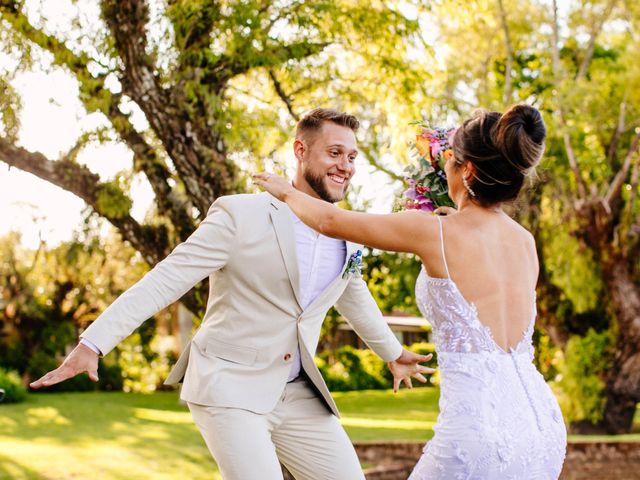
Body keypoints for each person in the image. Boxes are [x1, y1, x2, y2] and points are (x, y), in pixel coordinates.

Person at [30, 108, 433, 480]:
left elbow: (353, 294)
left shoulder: (345, 230)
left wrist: (393, 354)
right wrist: (93, 343)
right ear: (300, 150)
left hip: (296, 391)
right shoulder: (241, 215)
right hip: (229, 385)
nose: (345, 166)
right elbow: (166, 279)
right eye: (334, 153)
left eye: (352, 156)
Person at [254, 104, 567, 479]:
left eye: (450, 161)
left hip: (477, 431)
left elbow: (331, 221)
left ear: (467, 171)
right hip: (541, 425)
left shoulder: (433, 231)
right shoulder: (524, 241)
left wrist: (285, 193)